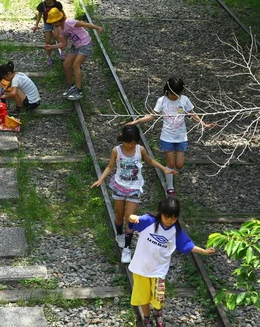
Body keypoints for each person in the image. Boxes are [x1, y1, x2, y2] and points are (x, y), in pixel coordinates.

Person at [91, 125, 177, 263]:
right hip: (119, 187)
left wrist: (164, 169)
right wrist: (100, 179)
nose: (130, 145)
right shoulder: (116, 151)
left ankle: (127, 248)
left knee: (130, 218)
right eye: (128, 142)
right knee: (119, 216)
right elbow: (110, 166)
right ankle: (119, 234)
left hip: (134, 188)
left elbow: (149, 161)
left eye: (133, 142)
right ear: (123, 140)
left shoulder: (140, 150)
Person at [128, 197, 215, 326]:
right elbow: (132, 220)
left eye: (173, 218)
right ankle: (146, 318)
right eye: (167, 217)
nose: (170, 221)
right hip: (141, 268)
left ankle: (158, 312)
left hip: (158, 270)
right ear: (161, 213)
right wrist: (132, 217)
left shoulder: (175, 230)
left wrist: (204, 251)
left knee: (159, 296)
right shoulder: (148, 221)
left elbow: (186, 244)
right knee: (143, 296)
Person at [127, 77, 215, 196]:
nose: (176, 97)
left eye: (178, 94)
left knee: (179, 164)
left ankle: (172, 175)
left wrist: (203, 124)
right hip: (167, 137)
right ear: (167, 90)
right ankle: (170, 187)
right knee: (170, 163)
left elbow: (192, 113)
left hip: (181, 138)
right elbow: (152, 116)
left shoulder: (184, 100)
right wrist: (136, 122)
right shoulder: (162, 101)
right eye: (174, 94)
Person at [44, 8, 104, 101]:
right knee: (66, 64)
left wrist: (97, 28)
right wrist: (51, 47)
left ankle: (78, 90)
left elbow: (84, 24)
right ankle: (70, 85)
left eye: (56, 22)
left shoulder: (69, 22)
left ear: (60, 19)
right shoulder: (60, 29)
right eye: (53, 23)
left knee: (76, 65)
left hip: (85, 43)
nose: (54, 25)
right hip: (76, 45)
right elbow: (64, 44)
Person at [32, 0, 64, 66]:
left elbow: (62, 13)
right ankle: (49, 57)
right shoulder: (42, 5)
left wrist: (64, 22)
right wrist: (36, 25)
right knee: (47, 41)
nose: (49, 0)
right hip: (47, 23)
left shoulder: (57, 4)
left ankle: (62, 52)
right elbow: (39, 14)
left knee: (57, 36)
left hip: (55, 23)